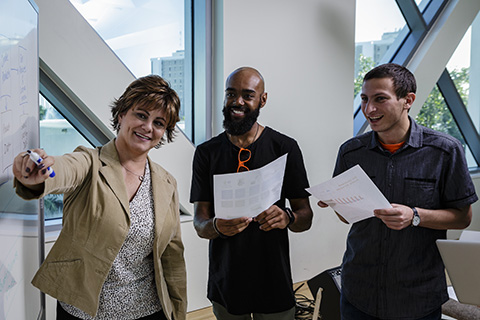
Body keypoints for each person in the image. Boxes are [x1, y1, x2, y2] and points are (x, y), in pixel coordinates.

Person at [12, 75, 187, 320]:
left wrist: (178, 312)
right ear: (121, 115)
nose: (148, 127)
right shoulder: (89, 162)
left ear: (164, 133)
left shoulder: (166, 183)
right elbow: (65, 169)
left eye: (159, 122)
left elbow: (173, 257)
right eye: (141, 115)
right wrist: (40, 175)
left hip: (148, 311)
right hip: (84, 313)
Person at [318, 63, 478, 320]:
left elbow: (463, 217)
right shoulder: (350, 151)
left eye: (380, 99)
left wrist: (415, 215)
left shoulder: (446, 150)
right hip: (359, 291)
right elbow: (347, 218)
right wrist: (338, 203)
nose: (369, 109)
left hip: (417, 294)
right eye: (365, 99)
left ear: (408, 100)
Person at [190, 67, 313, 320]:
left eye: (247, 95)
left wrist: (287, 218)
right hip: (226, 282)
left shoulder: (285, 147)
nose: (237, 102)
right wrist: (216, 226)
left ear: (262, 100)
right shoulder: (206, 153)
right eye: (231, 94)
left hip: (274, 279)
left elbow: (306, 217)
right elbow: (200, 224)